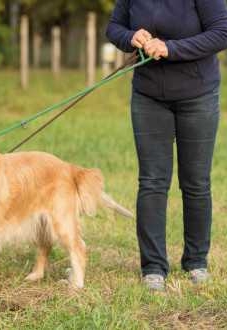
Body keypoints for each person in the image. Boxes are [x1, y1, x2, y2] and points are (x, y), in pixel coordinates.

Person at [106, 0, 227, 291]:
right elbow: (114, 27)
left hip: (198, 95)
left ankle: (196, 262)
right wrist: (129, 37)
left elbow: (222, 32)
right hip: (148, 96)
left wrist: (171, 48)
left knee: (196, 182)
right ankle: (153, 267)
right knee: (152, 182)